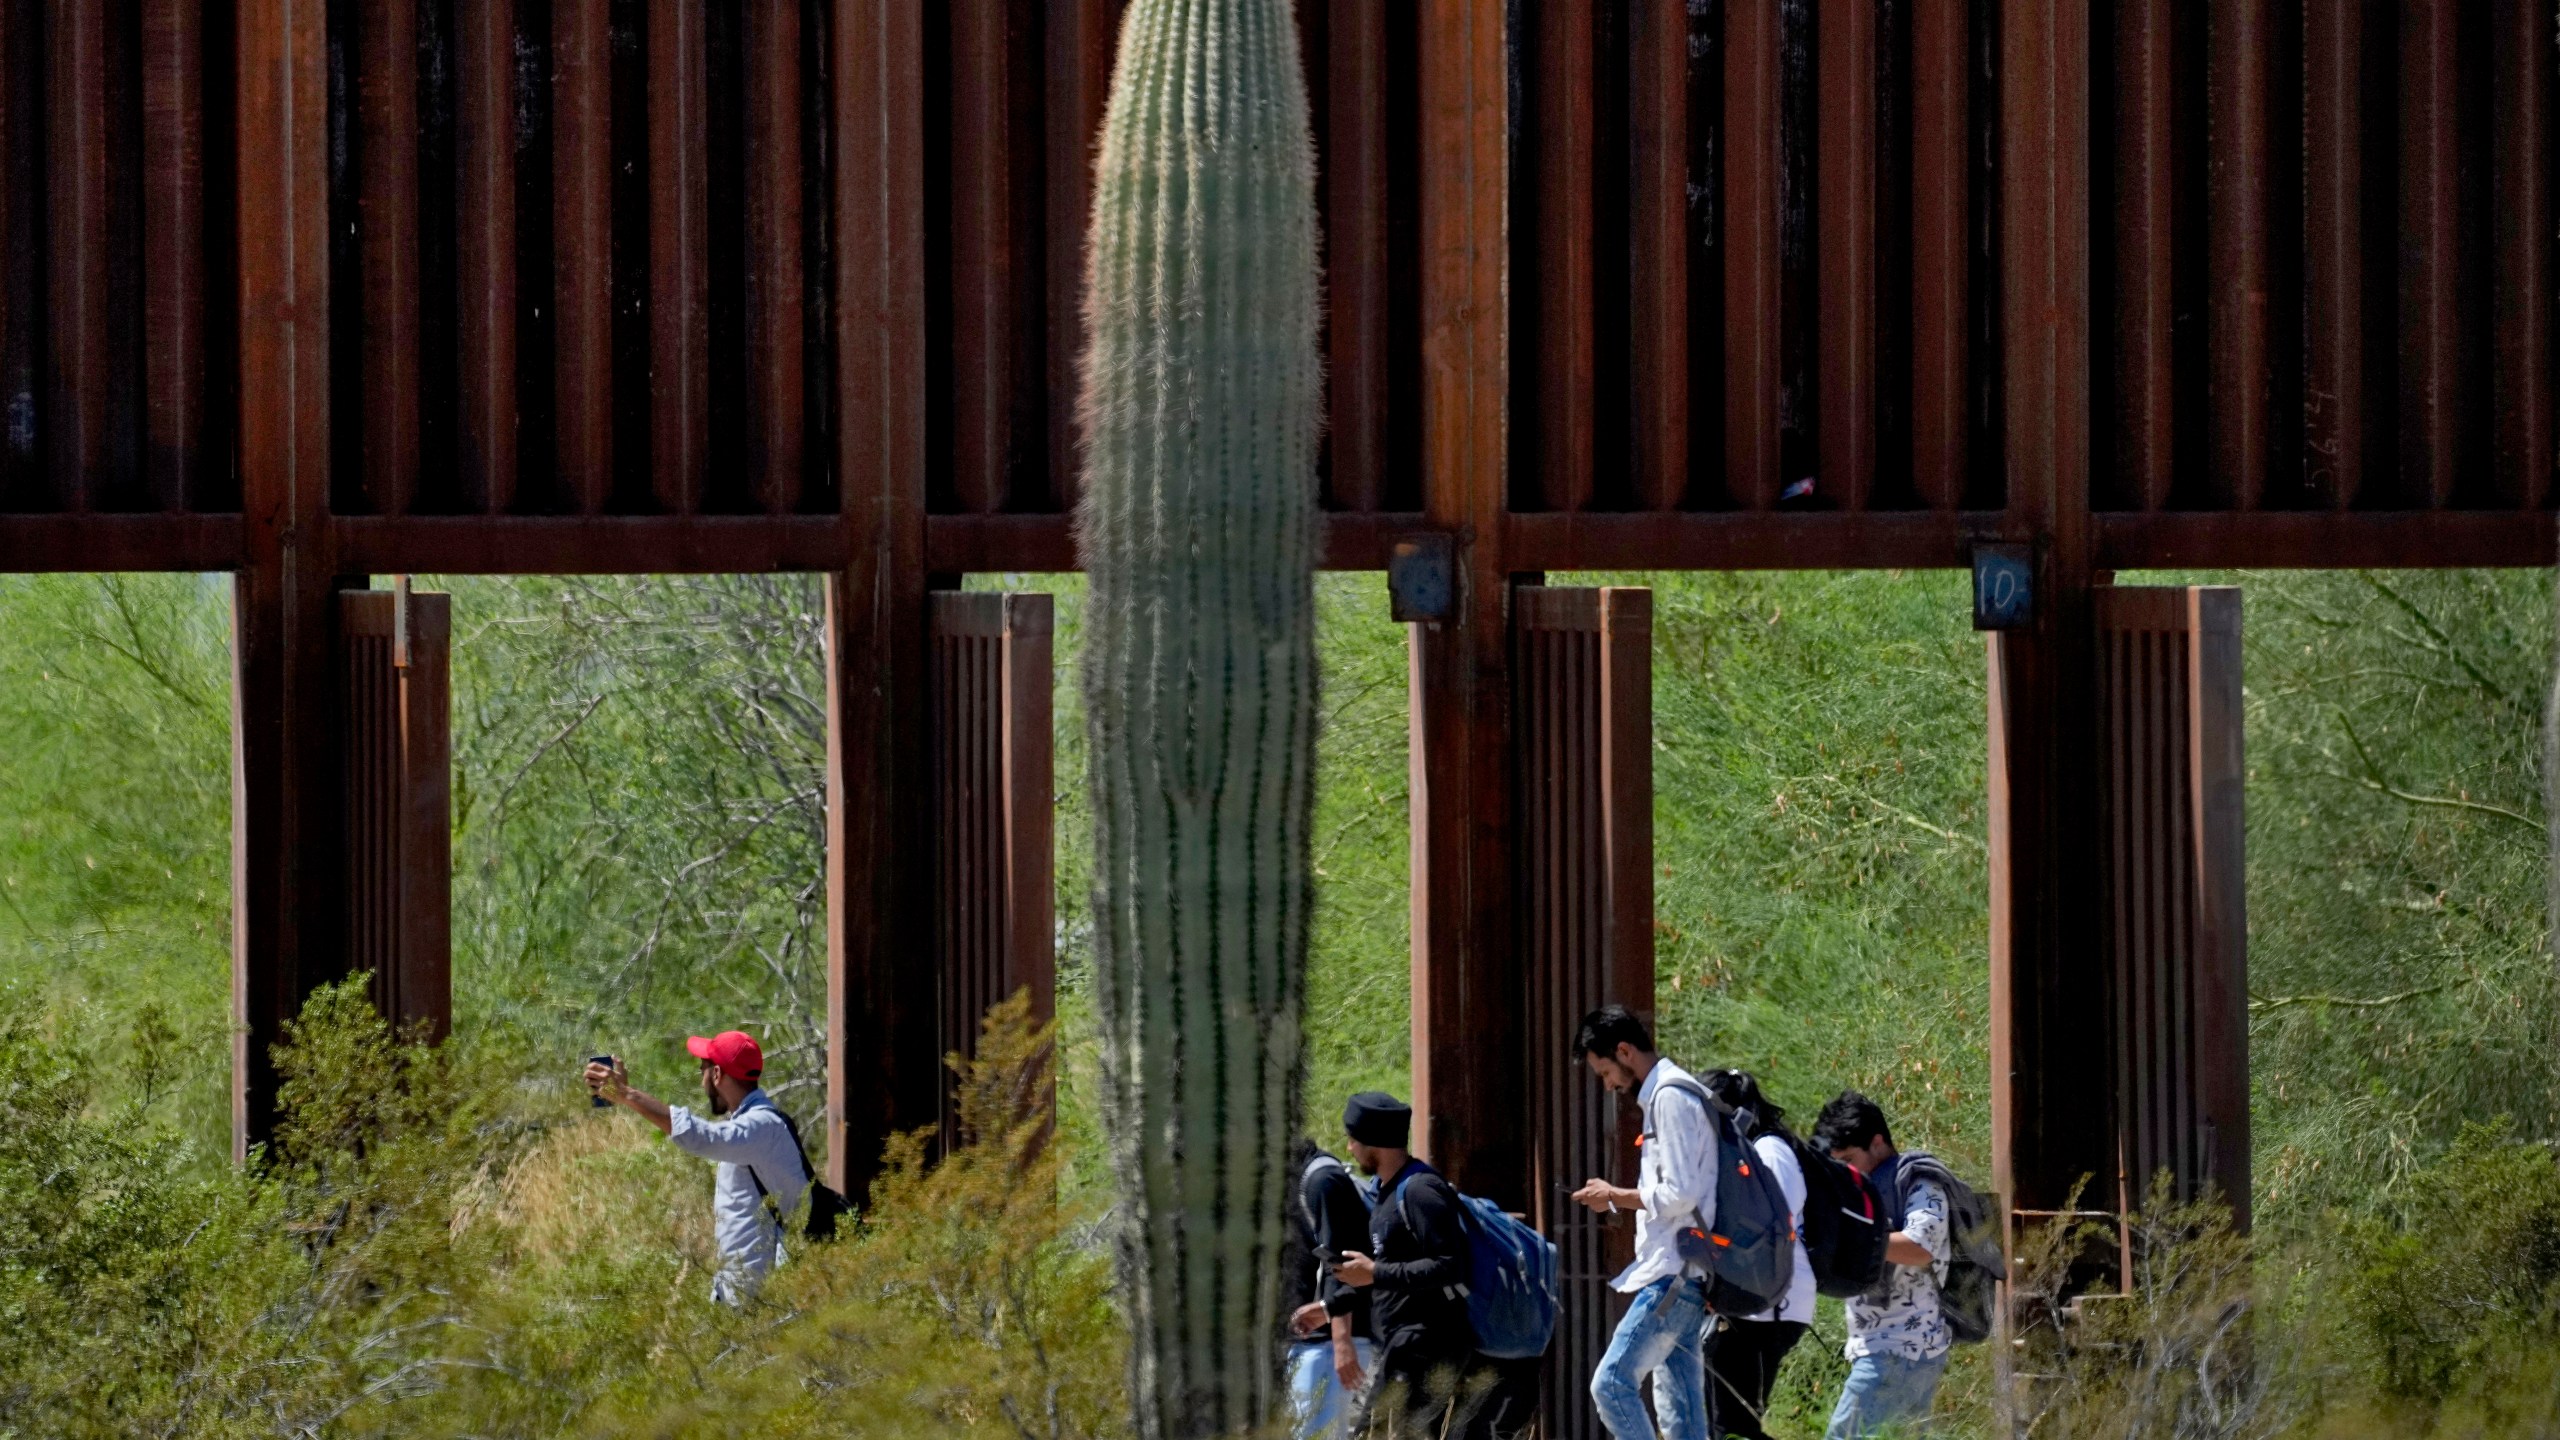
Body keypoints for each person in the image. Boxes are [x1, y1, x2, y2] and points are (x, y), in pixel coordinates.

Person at [1566, 1005, 1718, 1440]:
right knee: (1684, 1415)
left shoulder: (1669, 1096)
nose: (1608, 1083)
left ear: (1625, 1051)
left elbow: (1679, 1194)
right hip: (1689, 1272)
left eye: (1604, 1071)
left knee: (1611, 1384)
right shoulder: (1674, 1092)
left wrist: (1614, 1196)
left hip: (1673, 1275)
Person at [1326, 1092, 1508, 1438]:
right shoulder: (1385, 1191)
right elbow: (1386, 1271)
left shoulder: (1421, 1191)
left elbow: (1450, 1266)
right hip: (1404, 1345)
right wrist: (1330, 1306)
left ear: (1374, 1142)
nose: (1349, 1149)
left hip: (1429, 1345)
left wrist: (1376, 1273)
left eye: (1353, 1140)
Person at [584, 1030, 806, 1306]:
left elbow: (703, 1137)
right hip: (750, 1297)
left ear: (716, 1075)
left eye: (702, 1069)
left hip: (762, 1301)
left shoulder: (762, 1126)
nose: (701, 1079)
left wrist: (628, 1095)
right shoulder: (756, 1125)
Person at [1811, 1091, 1951, 1439]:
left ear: (1877, 1144)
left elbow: (1921, 1246)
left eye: (1848, 1159)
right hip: (1890, 1349)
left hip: (1901, 1349)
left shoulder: (1917, 1181)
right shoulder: (1857, 1191)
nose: (1844, 1171)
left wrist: (1859, 1239)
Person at [1699, 1069, 1815, 1440]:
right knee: (1728, 1421)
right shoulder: (1759, 1152)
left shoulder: (1769, 1152)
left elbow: (1764, 1227)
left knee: (1730, 1425)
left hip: (1766, 1305)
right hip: (1760, 1302)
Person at [1284, 1136, 1381, 1439]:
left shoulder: (1322, 1181)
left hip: (1328, 1347)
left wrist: (1342, 1343)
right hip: (1311, 1343)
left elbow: (1341, 1263)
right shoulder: (1302, 1180)